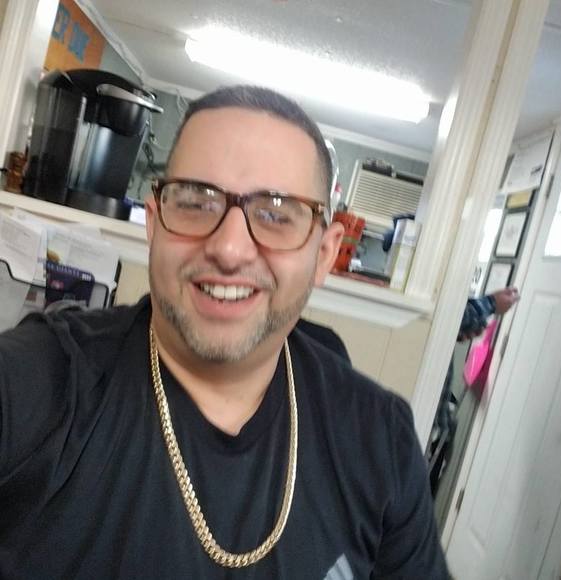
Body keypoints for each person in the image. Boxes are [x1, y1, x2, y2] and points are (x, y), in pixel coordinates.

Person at [0, 85, 449, 579]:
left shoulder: (380, 439)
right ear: (155, 223)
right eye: (196, 203)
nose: (230, 250)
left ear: (324, 254)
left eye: (275, 214)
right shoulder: (43, 380)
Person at [428, 287, 520, 495]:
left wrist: (459, 330)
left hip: (437, 429)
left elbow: (453, 320)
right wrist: (491, 304)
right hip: (429, 434)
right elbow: (450, 314)